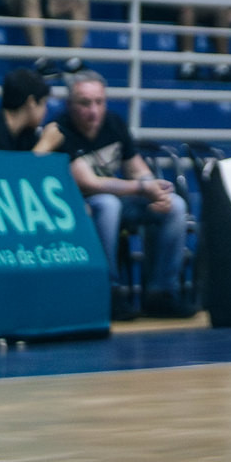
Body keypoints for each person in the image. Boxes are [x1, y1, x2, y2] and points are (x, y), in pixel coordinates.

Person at [54, 69, 189, 318]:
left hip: (119, 199)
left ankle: (161, 292)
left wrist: (153, 189)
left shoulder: (114, 124)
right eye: (85, 103)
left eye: (99, 102)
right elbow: (88, 183)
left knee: (175, 206)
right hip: (76, 206)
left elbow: (136, 168)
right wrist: (140, 188)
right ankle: (109, 291)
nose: (94, 111)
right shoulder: (60, 130)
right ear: (70, 104)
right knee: (107, 204)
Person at [0, 66, 66, 151]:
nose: (46, 110)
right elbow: (1, 173)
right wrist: (44, 146)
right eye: (43, 103)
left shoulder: (26, 134)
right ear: (31, 102)